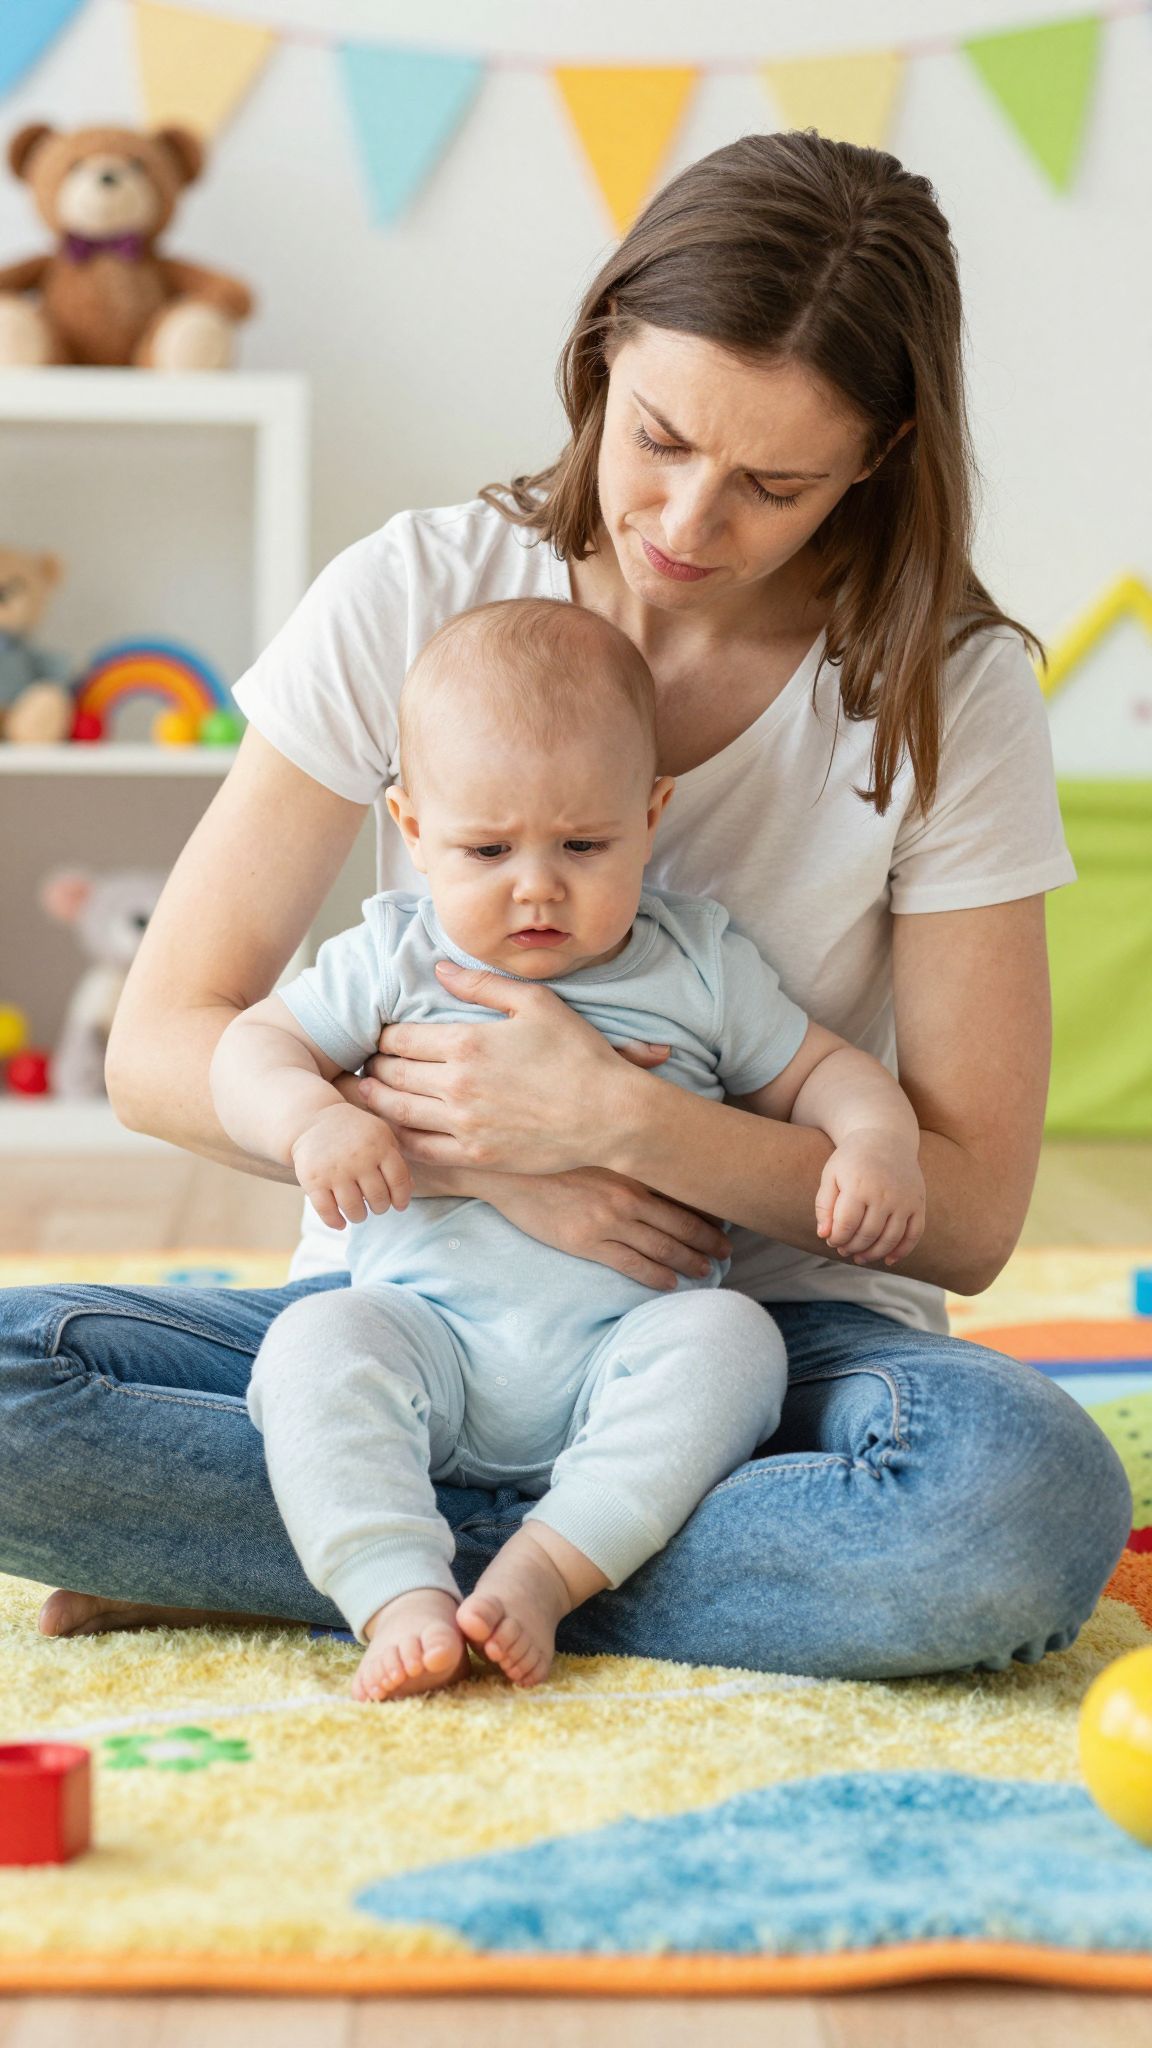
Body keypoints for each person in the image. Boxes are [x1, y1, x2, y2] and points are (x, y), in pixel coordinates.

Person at [0, 131, 1130, 1677]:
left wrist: (620, 1130)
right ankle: (529, 1553)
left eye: (772, 483)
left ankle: (334, 1552)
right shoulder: (416, 593)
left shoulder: (941, 687)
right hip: (416, 1312)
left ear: (875, 457)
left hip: (746, 1347)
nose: (685, 519)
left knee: (1016, 1510)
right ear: (602, 353)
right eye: (658, 435)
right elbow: (160, 1046)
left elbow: (974, 1210)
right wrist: (478, 1156)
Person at [212, 597, 926, 1699]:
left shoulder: (695, 961)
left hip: (627, 1352)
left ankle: (545, 1564)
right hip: (424, 1336)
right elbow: (249, 1045)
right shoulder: (392, 955)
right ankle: (396, 1583)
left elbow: (824, 1070)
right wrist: (316, 1117)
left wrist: (875, 1142)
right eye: (487, 847)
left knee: (736, 1340)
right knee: (313, 1342)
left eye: (584, 845)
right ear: (411, 827)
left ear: (652, 813)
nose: (536, 884)